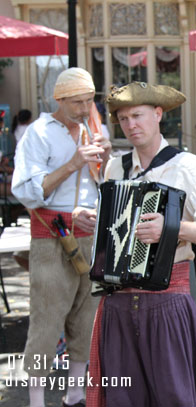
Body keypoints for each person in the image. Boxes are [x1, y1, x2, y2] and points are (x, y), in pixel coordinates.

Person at [85, 82, 196, 407]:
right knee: (122, 400)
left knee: (175, 398)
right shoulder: (115, 168)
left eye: (137, 115)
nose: (131, 124)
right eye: (123, 119)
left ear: (158, 114)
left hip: (167, 302)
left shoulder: (187, 165)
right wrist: (91, 221)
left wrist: (171, 228)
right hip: (117, 304)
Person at [11, 67, 112, 407]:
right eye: (77, 103)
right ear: (59, 99)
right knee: (46, 320)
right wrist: (72, 164)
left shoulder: (94, 129)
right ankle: (36, 401)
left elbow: (104, 184)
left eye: (89, 101)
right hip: (53, 237)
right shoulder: (38, 133)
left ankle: (75, 397)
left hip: (91, 235)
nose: (85, 110)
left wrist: (106, 158)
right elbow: (26, 192)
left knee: (87, 319)